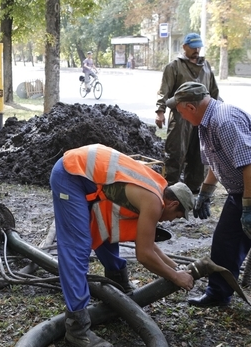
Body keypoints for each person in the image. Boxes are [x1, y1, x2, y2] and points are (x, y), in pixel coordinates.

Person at [168, 82, 251, 338]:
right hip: (243, 189)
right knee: (225, 242)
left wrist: (250, 208)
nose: (179, 115)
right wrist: (206, 191)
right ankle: (218, 293)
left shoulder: (224, 121)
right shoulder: (206, 122)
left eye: (180, 110)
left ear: (191, 107)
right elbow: (219, 160)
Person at [52, 144, 195, 347]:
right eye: (177, 216)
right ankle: (77, 330)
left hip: (85, 175)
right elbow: (144, 254)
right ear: (172, 204)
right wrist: (175, 277)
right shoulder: (153, 202)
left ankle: (119, 287)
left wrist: (176, 268)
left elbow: (147, 244)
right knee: (77, 248)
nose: (172, 221)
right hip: (70, 174)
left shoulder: (157, 189)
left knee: (108, 230)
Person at [155, 33, 219, 196]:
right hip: (180, 117)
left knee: (199, 153)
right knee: (176, 151)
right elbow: (164, 90)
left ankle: (194, 188)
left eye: (199, 47)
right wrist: (160, 111)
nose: (196, 50)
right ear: (184, 47)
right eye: (193, 47)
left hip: (203, 116)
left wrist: (217, 111)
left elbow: (213, 91)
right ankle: (171, 187)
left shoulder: (206, 67)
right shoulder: (174, 66)